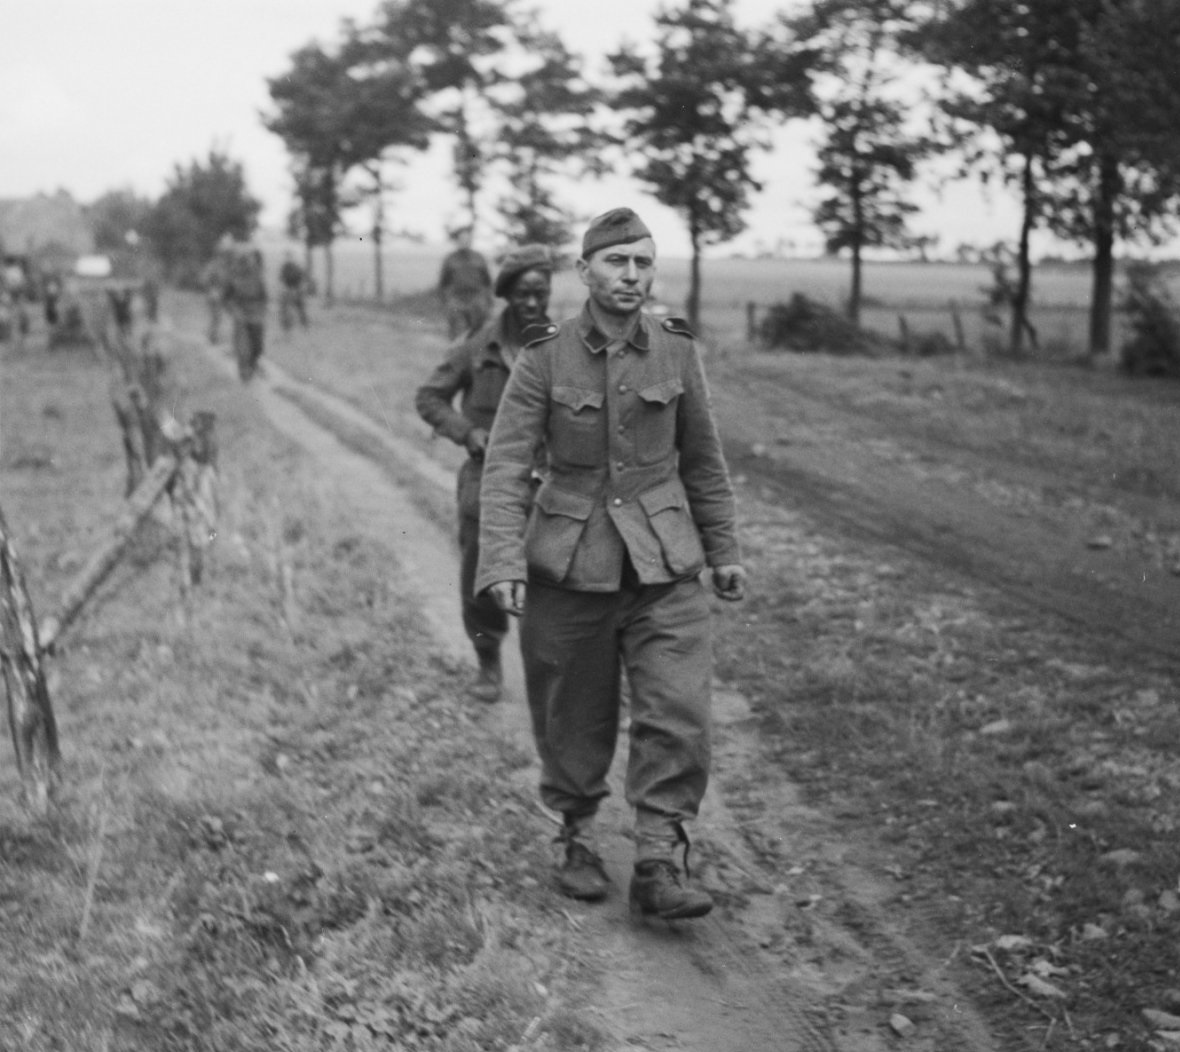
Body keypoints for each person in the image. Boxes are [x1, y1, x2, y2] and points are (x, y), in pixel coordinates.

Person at [475, 208, 747, 921]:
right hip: (570, 568)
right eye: (617, 262)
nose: (631, 276)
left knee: (678, 713)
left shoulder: (676, 351)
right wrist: (501, 561)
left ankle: (658, 860)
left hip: (664, 566)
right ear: (585, 271)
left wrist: (723, 550)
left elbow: (704, 461)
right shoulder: (544, 356)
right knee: (572, 715)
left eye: (642, 263)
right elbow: (505, 467)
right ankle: (576, 837)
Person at [415, 244, 554, 703]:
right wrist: (467, 432)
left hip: (548, 481)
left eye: (541, 293)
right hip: (487, 478)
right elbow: (429, 397)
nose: (532, 303)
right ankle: (488, 661)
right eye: (523, 293)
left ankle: (554, 672)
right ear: (505, 294)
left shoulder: (562, 347)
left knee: (555, 581)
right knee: (481, 576)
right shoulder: (478, 345)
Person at [437, 226, 492, 340]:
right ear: (457, 241)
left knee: (477, 334)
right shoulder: (450, 259)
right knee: (458, 335)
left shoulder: (479, 258)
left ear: (471, 241)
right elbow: (443, 283)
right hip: (457, 300)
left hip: (476, 300)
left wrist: (487, 300)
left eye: (467, 239)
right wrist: (447, 301)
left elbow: (487, 281)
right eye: (462, 239)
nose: (465, 242)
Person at [223, 248, 268, 382]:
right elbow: (226, 298)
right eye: (242, 262)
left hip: (255, 312)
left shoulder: (257, 277)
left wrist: (262, 309)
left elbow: (264, 296)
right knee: (242, 344)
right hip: (240, 312)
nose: (245, 265)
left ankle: (253, 364)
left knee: (257, 344)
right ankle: (244, 371)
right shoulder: (233, 278)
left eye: (247, 262)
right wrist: (233, 310)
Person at [200, 252, 228, 344]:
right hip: (213, 294)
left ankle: (213, 336)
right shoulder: (213, 267)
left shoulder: (220, 267)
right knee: (216, 316)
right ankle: (212, 337)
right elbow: (205, 280)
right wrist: (211, 290)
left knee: (217, 317)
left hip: (218, 294)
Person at [279, 251, 309, 331]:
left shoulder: (293, 267)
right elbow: (281, 278)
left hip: (295, 289)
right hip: (290, 289)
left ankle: (303, 324)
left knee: (299, 307)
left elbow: (302, 277)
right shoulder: (286, 267)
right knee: (287, 307)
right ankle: (287, 324)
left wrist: (299, 288)